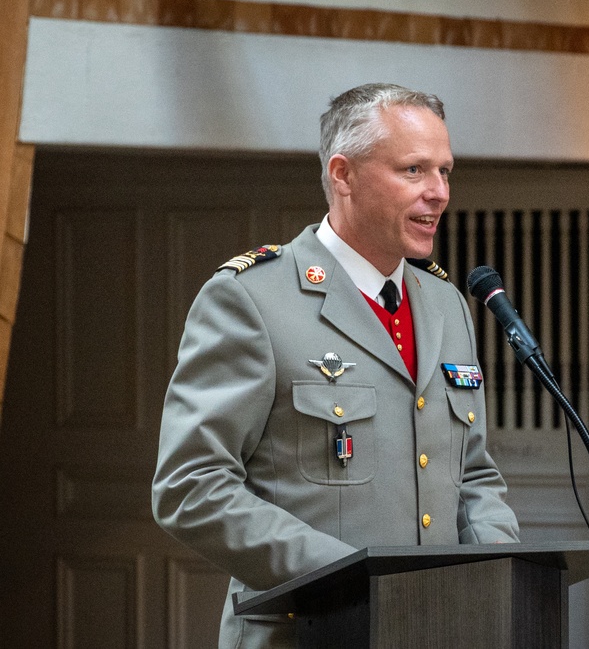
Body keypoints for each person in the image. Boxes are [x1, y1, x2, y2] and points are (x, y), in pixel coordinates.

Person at [151, 83, 519, 648]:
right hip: (307, 633)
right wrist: (346, 576)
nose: (439, 193)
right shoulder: (253, 298)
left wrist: (499, 570)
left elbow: (471, 474)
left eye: (445, 171)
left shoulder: (448, 305)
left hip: (436, 631)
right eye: (414, 170)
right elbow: (190, 485)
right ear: (343, 175)